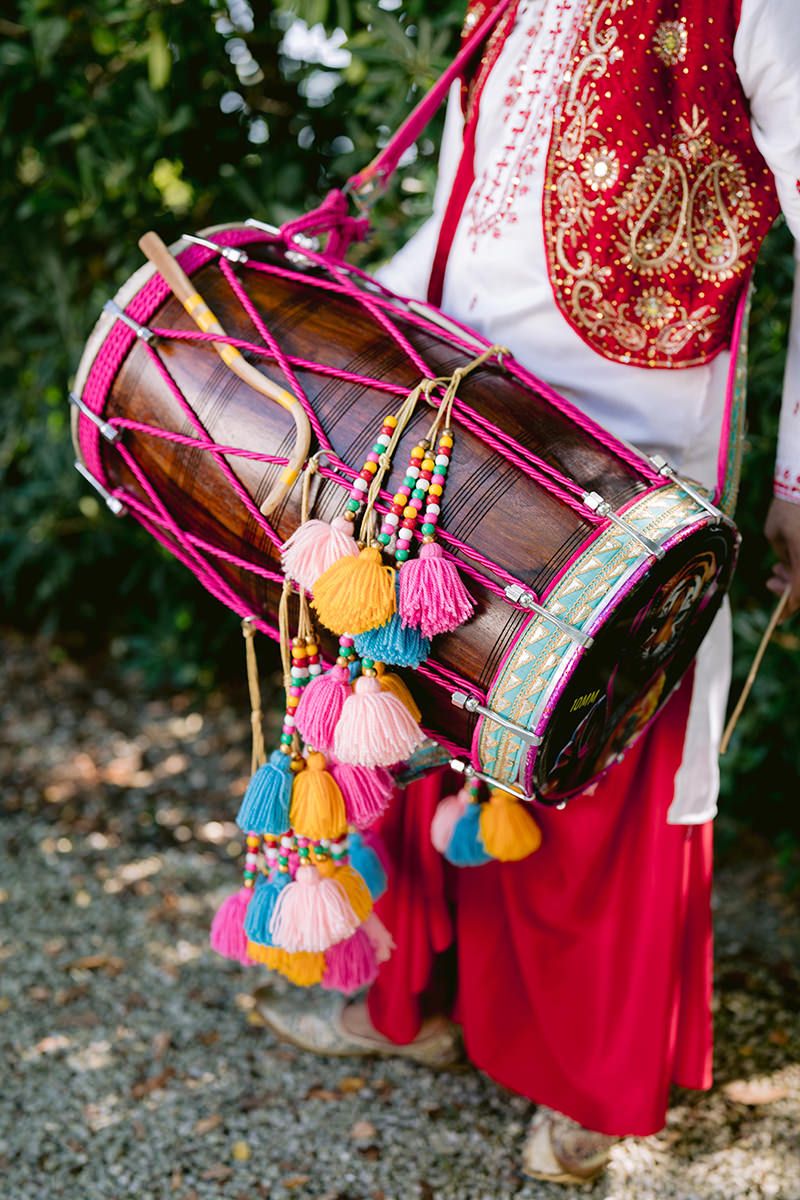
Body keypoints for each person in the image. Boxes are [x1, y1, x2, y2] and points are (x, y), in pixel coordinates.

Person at [256, 0, 800, 1183]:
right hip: (451, 402)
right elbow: (465, 223)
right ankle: (428, 1003)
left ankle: (587, 1084)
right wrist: (318, 297)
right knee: (408, 702)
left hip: (627, 447)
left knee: (595, 750)